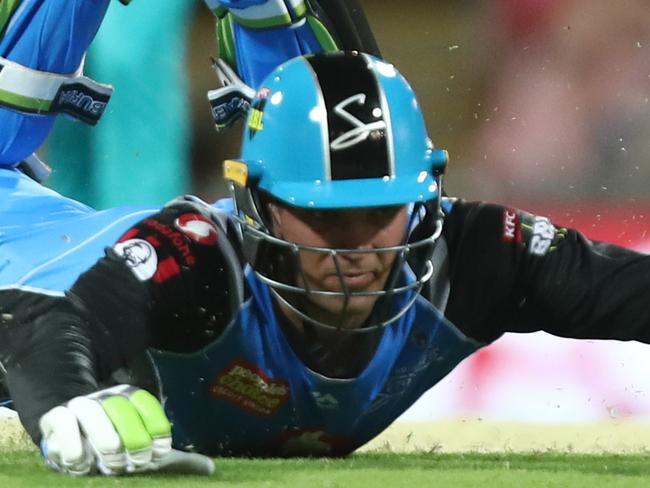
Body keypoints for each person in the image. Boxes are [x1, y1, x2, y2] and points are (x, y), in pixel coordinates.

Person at [3, 48, 650, 477]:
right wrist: (65, 401)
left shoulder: (476, 255)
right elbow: (40, 320)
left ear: (425, 199)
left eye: (380, 212)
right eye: (324, 218)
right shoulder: (199, 257)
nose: (356, 250)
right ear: (258, 205)